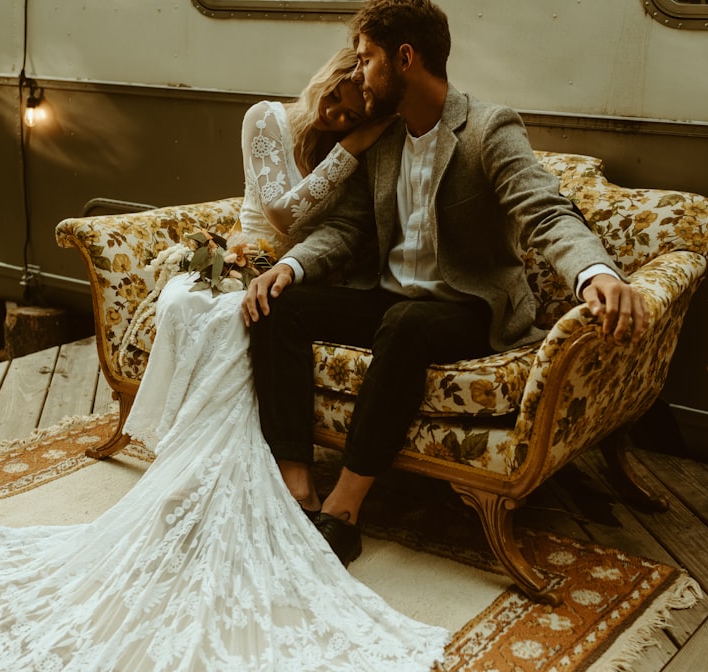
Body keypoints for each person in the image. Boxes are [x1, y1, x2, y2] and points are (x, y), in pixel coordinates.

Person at [0, 48, 449, 672]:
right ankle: (216, 481)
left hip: (291, 278)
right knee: (220, 313)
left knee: (256, 318)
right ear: (322, 82)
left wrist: (322, 215)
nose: (333, 114)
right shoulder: (268, 120)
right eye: (332, 100)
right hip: (245, 262)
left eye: (348, 114)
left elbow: (343, 234)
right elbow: (281, 213)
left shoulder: (370, 151)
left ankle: (267, 488)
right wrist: (351, 147)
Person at [244, 0, 651, 567]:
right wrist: (288, 267)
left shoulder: (487, 128)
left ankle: (342, 509)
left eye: (365, 60)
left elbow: (546, 210)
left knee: (406, 322)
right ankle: (297, 486)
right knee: (278, 304)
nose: (356, 73)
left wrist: (595, 273)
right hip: (391, 302)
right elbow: (345, 228)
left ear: (404, 58)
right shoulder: (380, 136)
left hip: (469, 307)